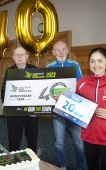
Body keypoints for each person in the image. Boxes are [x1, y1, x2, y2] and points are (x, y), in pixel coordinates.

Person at [46, 40, 86, 170]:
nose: (61, 52)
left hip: (73, 110)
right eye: (57, 50)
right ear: (53, 52)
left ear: (67, 51)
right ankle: (62, 165)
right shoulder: (49, 68)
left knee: (79, 142)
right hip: (57, 112)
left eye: (63, 49)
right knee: (59, 143)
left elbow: (81, 87)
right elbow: (46, 91)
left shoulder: (75, 65)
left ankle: (82, 166)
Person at [1, 46, 38, 153]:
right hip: (14, 112)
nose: (19, 57)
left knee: (32, 141)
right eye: (17, 54)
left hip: (31, 112)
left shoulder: (35, 70)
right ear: (13, 57)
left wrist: (37, 109)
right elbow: (4, 89)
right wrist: (4, 102)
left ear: (27, 56)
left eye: (22, 54)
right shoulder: (9, 71)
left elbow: (38, 90)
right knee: (13, 142)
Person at [76, 47, 106, 170]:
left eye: (100, 61)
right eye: (92, 61)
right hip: (89, 137)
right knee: (92, 167)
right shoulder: (82, 82)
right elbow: (74, 104)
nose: (96, 65)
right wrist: (62, 99)